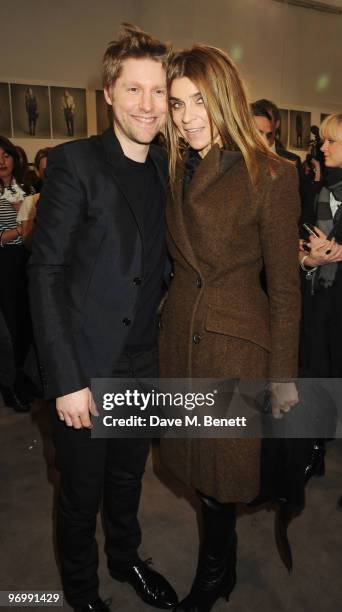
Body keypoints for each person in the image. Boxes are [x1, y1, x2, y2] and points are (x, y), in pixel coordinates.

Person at [28, 24, 177, 612]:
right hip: (86, 368)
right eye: (134, 90)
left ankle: (126, 559)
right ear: (109, 93)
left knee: (128, 480)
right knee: (80, 494)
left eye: (158, 91)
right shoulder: (75, 163)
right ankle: (84, 595)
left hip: (145, 361)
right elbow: (45, 274)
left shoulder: (167, 169)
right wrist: (65, 379)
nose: (148, 104)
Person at [159, 45, 301, 611]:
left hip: (235, 349)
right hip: (179, 337)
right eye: (177, 104)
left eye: (200, 100)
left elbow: (286, 290)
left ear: (226, 99)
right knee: (196, 471)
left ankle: (210, 576)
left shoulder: (271, 173)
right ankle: (228, 564)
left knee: (222, 479)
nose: (189, 116)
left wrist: (284, 379)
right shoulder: (170, 165)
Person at [0, 136, 33, 412]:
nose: (2, 161)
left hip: (28, 260)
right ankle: (10, 385)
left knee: (27, 324)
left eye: (6, 155)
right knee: (9, 330)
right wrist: (23, 227)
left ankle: (27, 379)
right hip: (4, 262)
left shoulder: (27, 187)